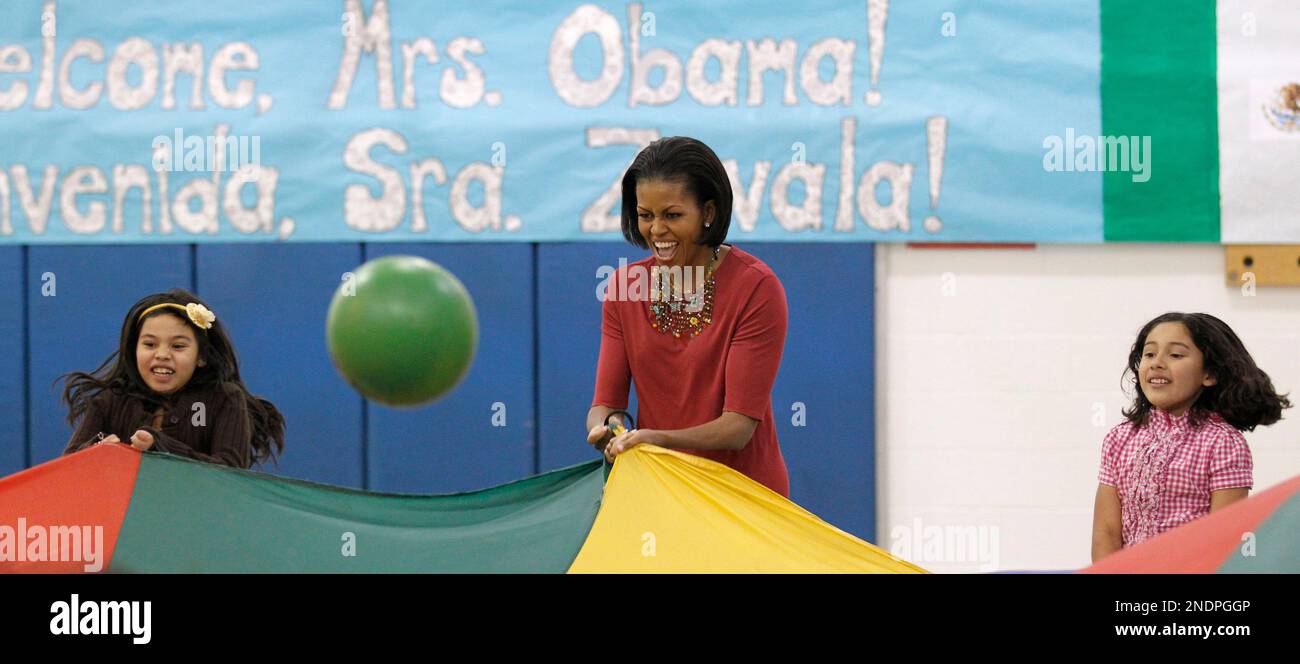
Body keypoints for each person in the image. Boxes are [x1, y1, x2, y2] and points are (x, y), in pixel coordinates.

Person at [586, 136, 791, 497]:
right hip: (661, 493)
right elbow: (606, 404)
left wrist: (657, 439)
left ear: (708, 213)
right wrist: (606, 427)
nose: (656, 230)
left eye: (672, 215)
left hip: (743, 498)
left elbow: (737, 428)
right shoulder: (623, 287)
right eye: (645, 216)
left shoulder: (756, 287)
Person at [1091, 312, 1291, 560]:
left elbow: (1224, 538)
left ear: (1209, 374)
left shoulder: (1222, 443)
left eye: (1175, 355)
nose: (1156, 363)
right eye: (1149, 354)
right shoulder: (1119, 438)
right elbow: (1106, 533)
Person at [62, 288, 285, 468]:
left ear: (202, 356)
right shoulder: (110, 401)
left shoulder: (224, 398)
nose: (161, 355)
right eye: (149, 344)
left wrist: (161, 445)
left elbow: (230, 472)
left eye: (178, 346)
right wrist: (96, 448)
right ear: (133, 350)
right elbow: (67, 465)